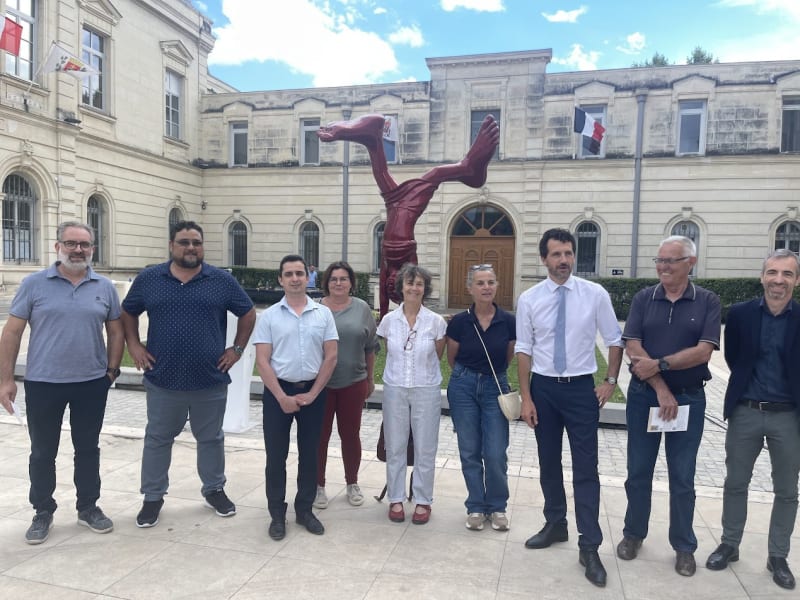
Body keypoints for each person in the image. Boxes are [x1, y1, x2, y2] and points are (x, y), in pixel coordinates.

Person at [121, 220, 256, 528]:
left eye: (196, 242)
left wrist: (236, 349)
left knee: (210, 438)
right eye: (184, 242)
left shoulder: (219, 280)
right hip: (162, 378)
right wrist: (134, 345)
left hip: (209, 379)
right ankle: (152, 497)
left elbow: (247, 312)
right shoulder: (150, 279)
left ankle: (214, 490)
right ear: (171, 246)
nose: (191, 247)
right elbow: (128, 310)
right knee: (157, 439)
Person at [0, 221, 124, 544]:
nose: (78, 250)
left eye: (84, 244)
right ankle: (42, 511)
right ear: (57, 247)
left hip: (90, 384)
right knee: (42, 452)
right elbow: (12, 332)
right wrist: (6, 379)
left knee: (87, 449)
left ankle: (88, 508)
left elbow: (115, 331)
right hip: (43, 383)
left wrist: (111, 371)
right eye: (71, 243)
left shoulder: (104, 287)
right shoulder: (34, 284)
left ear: (92, 249)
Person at [516, 228, 623, 588]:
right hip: (544, 390)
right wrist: (527, 397)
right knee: (548, 461)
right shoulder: (529, 298)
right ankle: (556, 523)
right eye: (556, 254)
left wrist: (610, 380)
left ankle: (589, 545)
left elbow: (613, 339)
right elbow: (524, 350)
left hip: (581, 390)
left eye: (568, 254)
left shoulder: (594, 294)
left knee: (585, 469)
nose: (564, 260)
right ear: (544, 259)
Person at [318, 113, 499, 318]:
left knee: (381, 174)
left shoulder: (387, 266)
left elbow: (384, 300)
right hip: (408, 210)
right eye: (393, 283)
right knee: (435, 175)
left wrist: (383, 316)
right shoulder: (409, 264)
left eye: (387, 282)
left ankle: (371, 139)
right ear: (402, 281)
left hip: (394, 206)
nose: (388, 280)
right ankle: (468, 167)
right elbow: (416, 283)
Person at [617, 235, 721, 577]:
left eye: (670, 261)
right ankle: (633, 534)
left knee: (682, 476)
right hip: (646, 397)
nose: (662, 267)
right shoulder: (644, 298)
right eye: (659, 260)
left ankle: (684, 546)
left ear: (690, 263)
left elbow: (704, 350)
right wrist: (660, 387)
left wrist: (659, 365)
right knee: (638, 472)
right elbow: (633, 344)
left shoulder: (707, 300)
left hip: (689, 398)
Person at [705, 249, 800, 590]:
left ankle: (778, 556)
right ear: (762, 277)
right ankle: (730, 544)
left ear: (796, 280)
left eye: (787, 274)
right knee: (735, 483)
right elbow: (734, 359)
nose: (778, 280)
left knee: (788, 491)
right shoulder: (742, 315)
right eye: (772, 273)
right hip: (746, 410)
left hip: (788, 416)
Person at [254, 255, 338, 541]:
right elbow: (262, 361)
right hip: (278, 393)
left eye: (299, 273)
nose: (294, 278)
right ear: (280, 279)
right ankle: (277, 514)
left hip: (314, 392)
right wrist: (281, 397)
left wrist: (314, 393)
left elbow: (331, 356)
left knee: (310, 454)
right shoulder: (269, 317)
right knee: (275, 456)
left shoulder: (323, 314)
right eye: (288, 274)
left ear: (308, 276)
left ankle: (304, 510)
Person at [446, 264, 516, 532]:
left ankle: (497, 506)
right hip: (463, 386)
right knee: (470, 450)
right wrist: (470, 377)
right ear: (470, 289)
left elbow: (508, 356)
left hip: (495, 386)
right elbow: (452, 359)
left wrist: (489, 377)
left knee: (496, 451)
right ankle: (475, 505)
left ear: (496, 286)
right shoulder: (460, 322)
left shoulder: (508, 321)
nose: (486, 287)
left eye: (490, 282)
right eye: (480, 283)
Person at [377, 263, 446, 525]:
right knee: (395, 445)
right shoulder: (388, 322)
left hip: (426, 388)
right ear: (401, 287)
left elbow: (437, 356)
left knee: (425, 447)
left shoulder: (436, 322)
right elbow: (388, 353)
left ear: (424, 289)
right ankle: (395, 498)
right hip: (395, 388)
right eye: (409, 283)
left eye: (418, 284)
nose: (414, 288)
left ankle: (422, 500)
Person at [314, 261, 378, 509]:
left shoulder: (362, 308)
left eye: (343, 278)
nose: (338, 283)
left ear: (351, 282)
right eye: (333, 279)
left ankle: (352, 482)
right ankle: (318, 485)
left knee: (350, 435)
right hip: (321, 385)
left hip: (354, 382)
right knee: (320, 436)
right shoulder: (316, 309)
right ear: (326, 283)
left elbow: (371, 347)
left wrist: (370, 378)